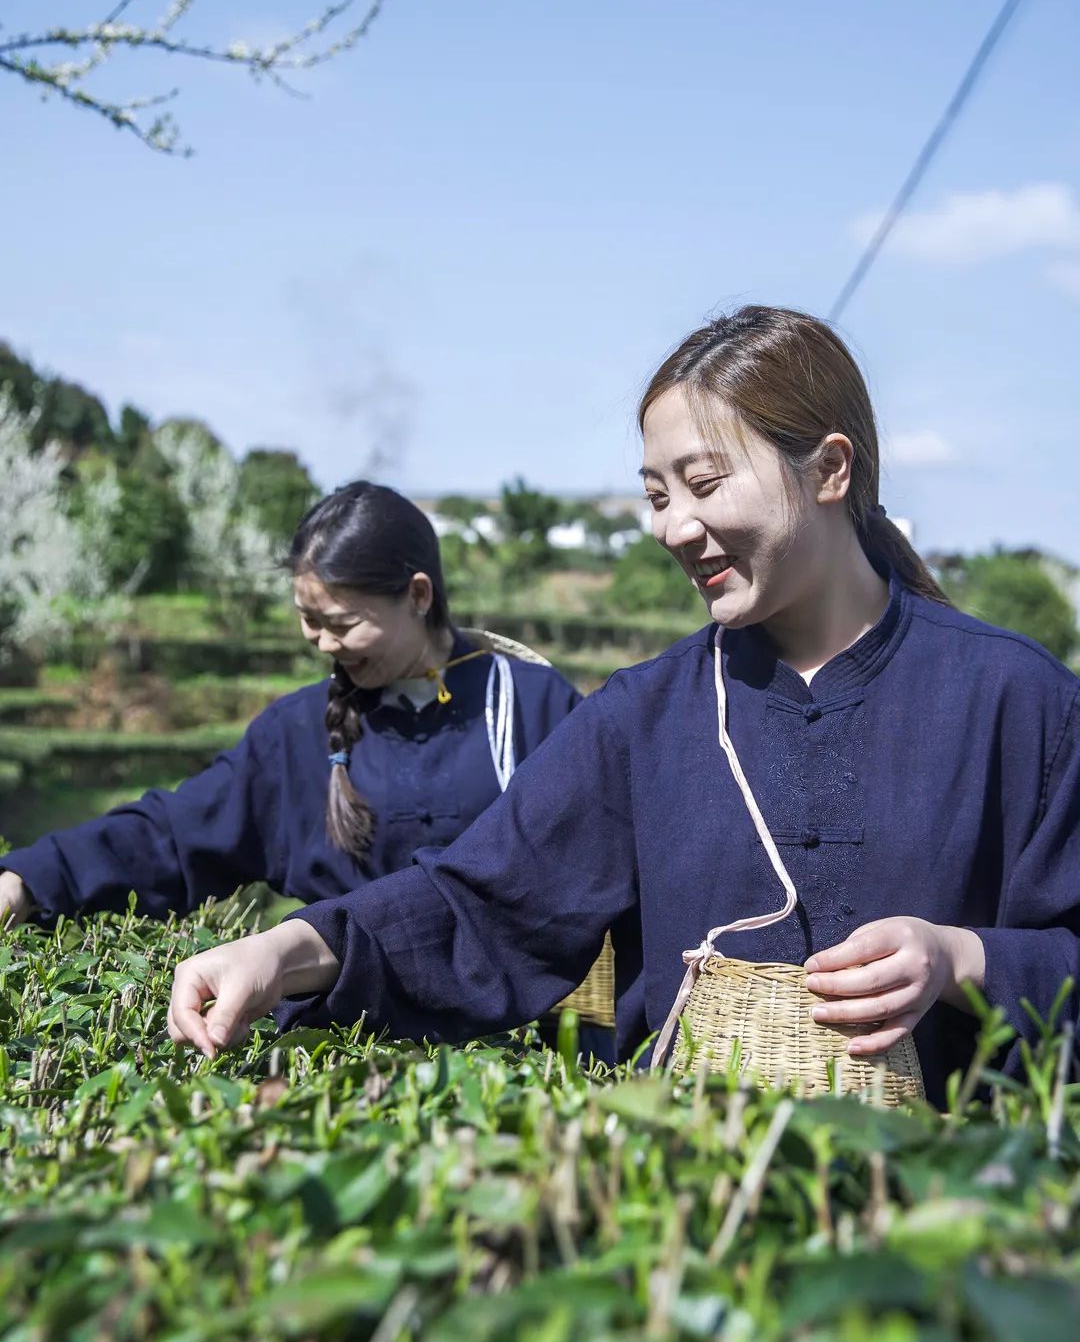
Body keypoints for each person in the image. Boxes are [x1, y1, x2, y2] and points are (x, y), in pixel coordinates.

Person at [167, 309, 1080, 1107]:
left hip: (951, 1240)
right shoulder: (643, 717)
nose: (674, 528)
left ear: (830, 468)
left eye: (705, 483)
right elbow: (482, 906)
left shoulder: (1016, 698)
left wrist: (963, 962)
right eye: (656, 495)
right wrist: (287, 951)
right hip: (686, 1223)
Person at [0, 481, 586, 1006]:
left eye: (341, 621)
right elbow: (176, 832)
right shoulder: (296, 730)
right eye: (308, 619)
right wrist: (32, 877)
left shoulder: (533, 706)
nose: (323, 642)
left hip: (515, 1036)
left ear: (419, 595)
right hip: (336, 1041)